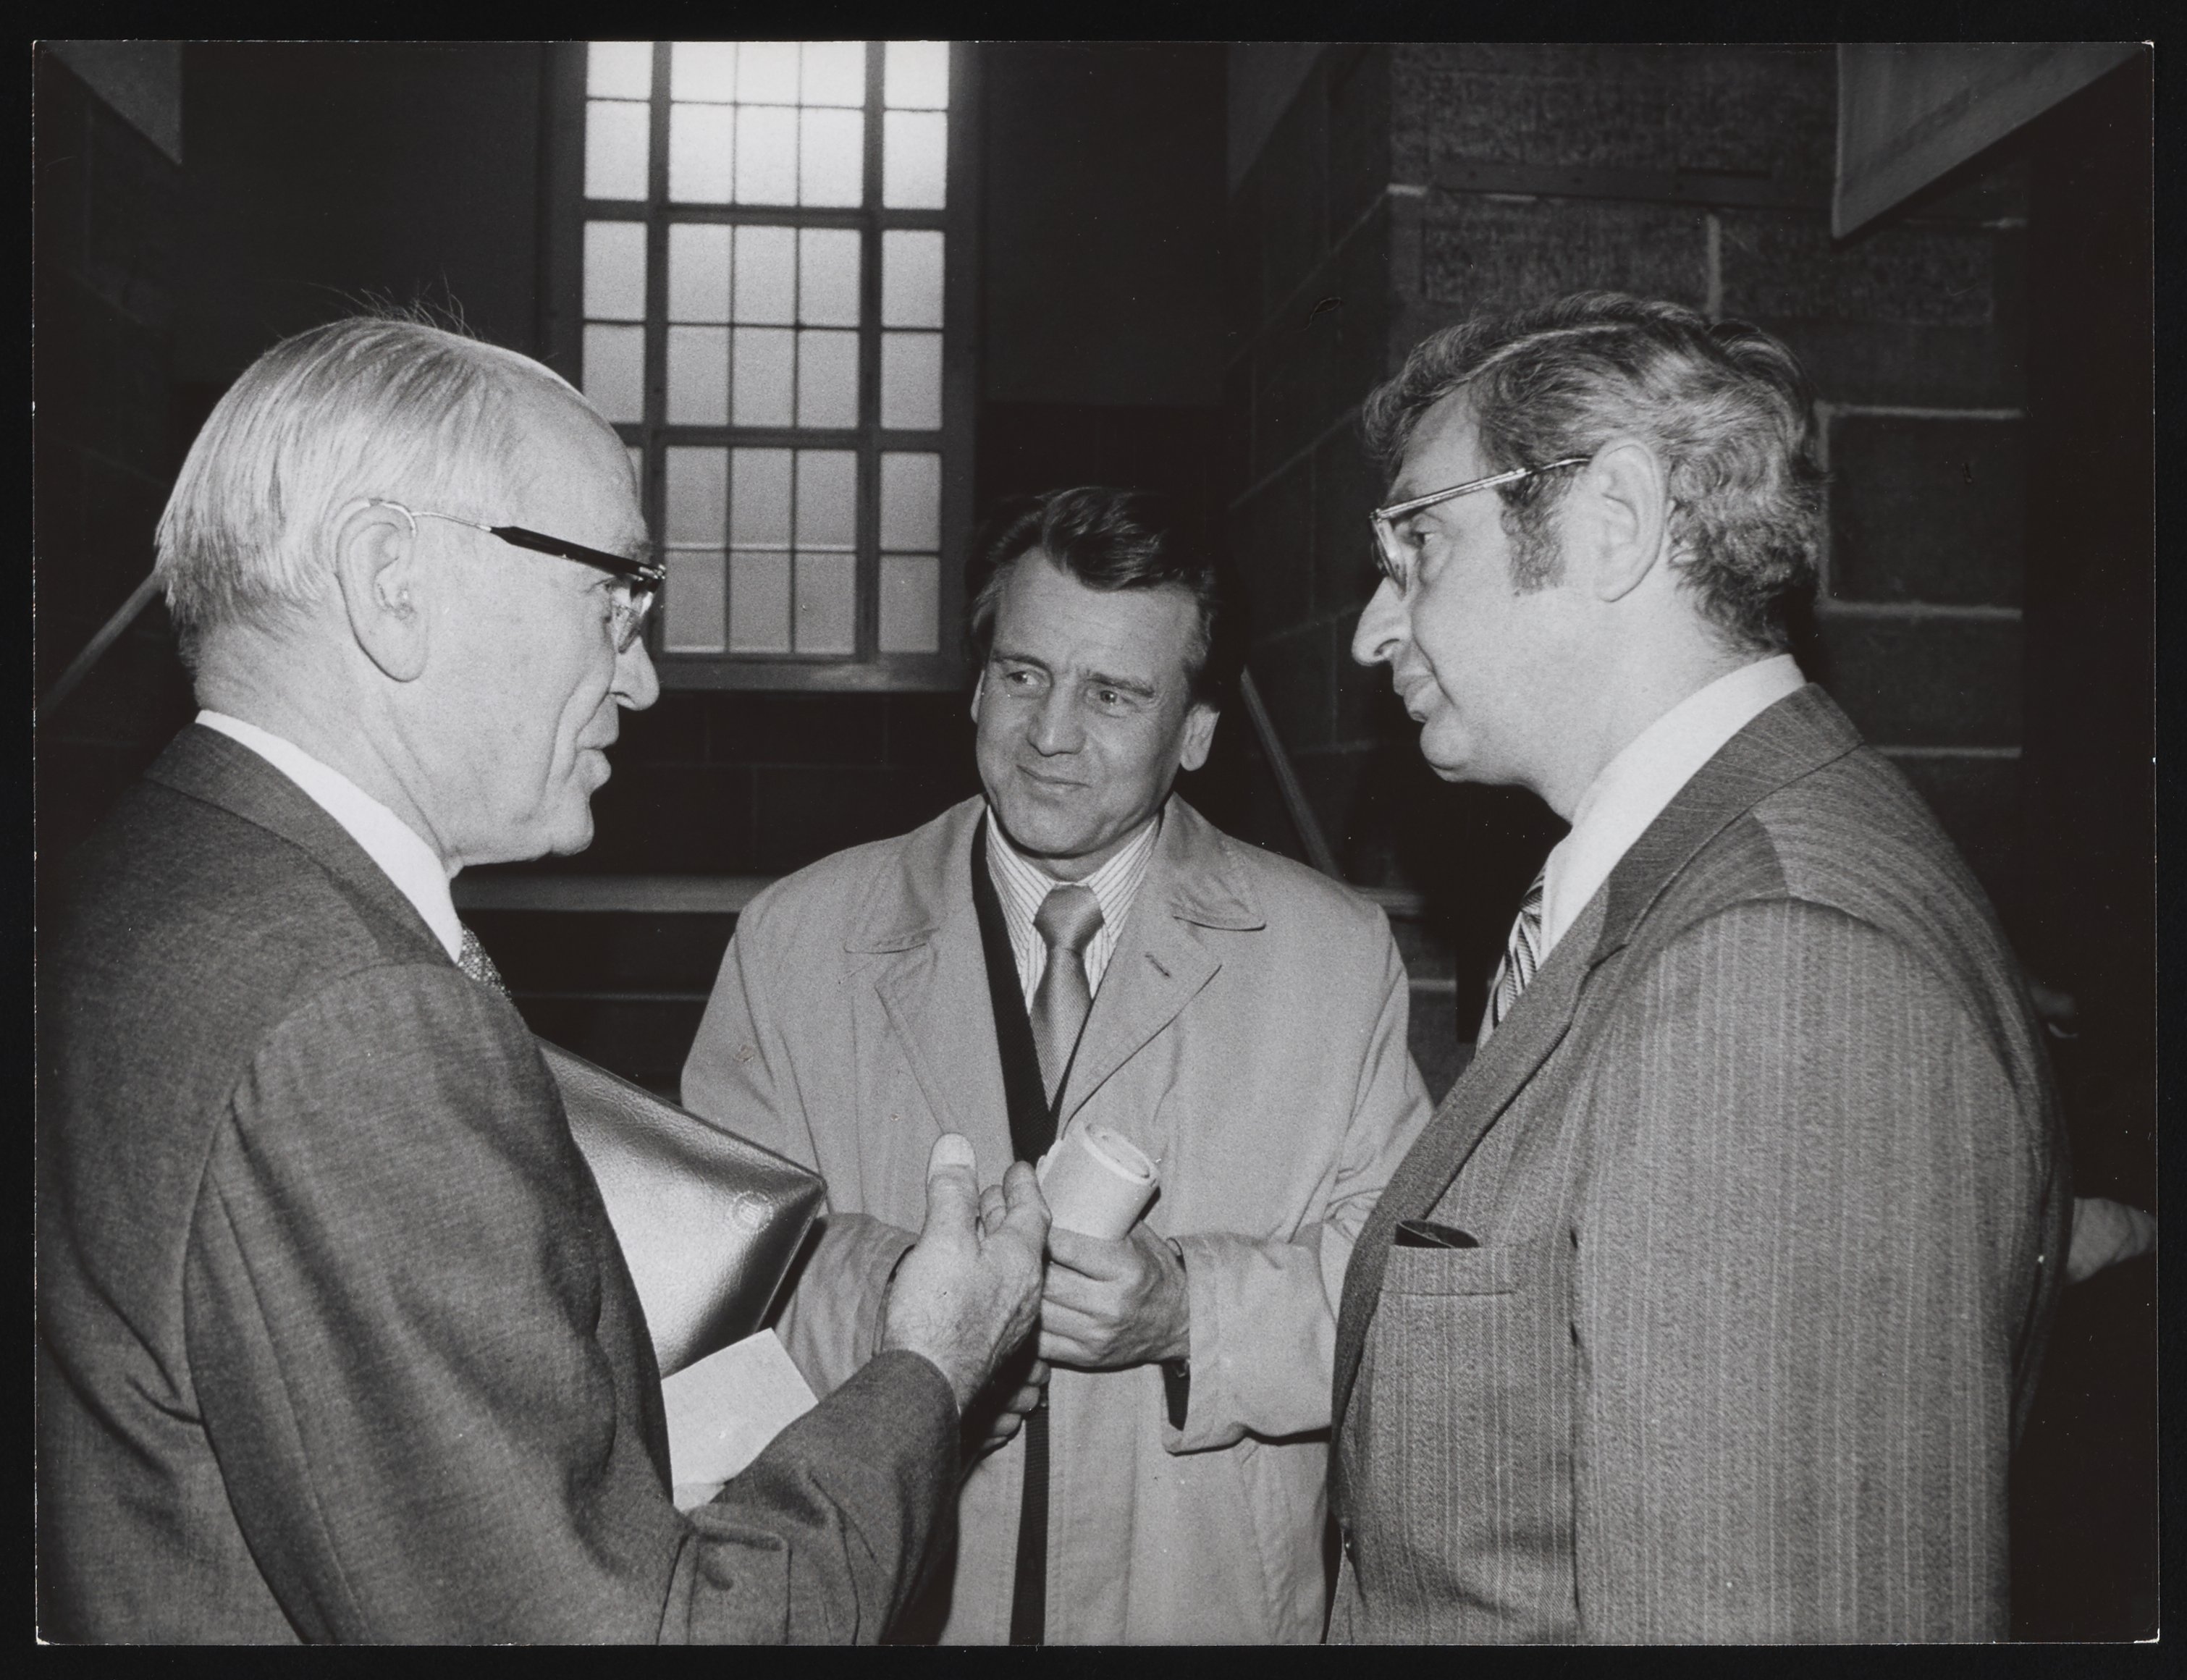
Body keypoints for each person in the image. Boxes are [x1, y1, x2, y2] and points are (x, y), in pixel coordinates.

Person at [36, 316, 1050, 1643]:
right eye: (613, 596)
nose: (643, 677)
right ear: (392, 579)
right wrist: (931, 1367)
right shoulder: (356, 1018)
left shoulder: (158, 871)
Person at [1331, 292, 2070, 1642]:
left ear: (1611, 518)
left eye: (1417, 541)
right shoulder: (1691, 887)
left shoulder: (1778, 971)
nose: (1373, 630)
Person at [681, 487, 1431, 1643]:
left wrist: (1189, 1311)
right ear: (977, 686)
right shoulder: (796, 939)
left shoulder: (1331, 957)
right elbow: (713, 1278)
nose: (1049, 733)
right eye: (1023, 674)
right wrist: (904, 1314)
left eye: (1113, 694)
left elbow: (1400, 1304)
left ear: (1196, 732)